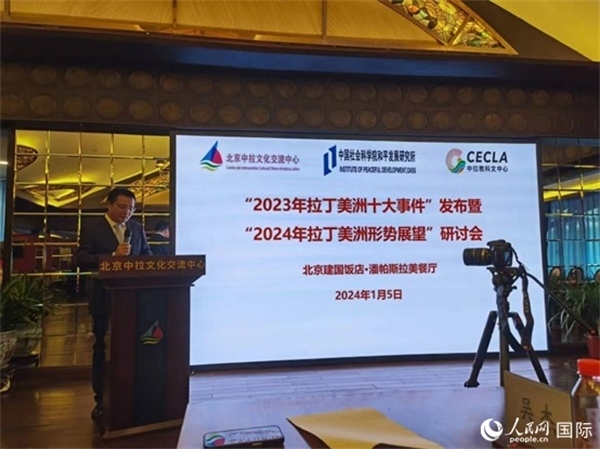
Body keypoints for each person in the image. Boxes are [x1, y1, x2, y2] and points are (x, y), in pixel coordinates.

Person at [73, 187, 152, 420]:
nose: (126, 212)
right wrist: (113, 256)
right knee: (103, 349)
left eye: (131, 208)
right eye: (122, 207)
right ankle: (101, 399)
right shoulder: (93, 228)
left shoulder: (136, 228)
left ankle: (134, 395)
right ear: (109, 205)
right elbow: (80, 259)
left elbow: (146, 256)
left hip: (134, 300)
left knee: (135, 348)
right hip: (104, 300)